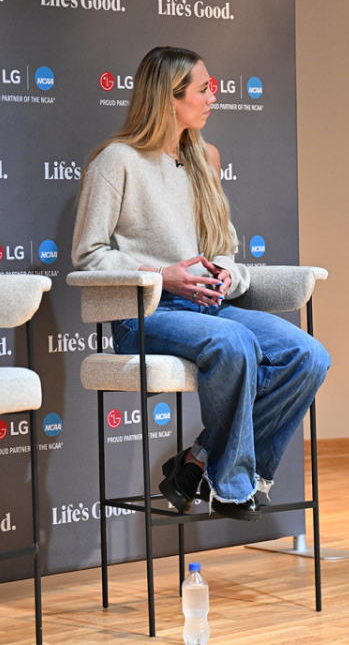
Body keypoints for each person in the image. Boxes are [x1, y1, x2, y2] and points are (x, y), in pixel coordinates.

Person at [72, 46, 331, 521]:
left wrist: (227, 273)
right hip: (145, 313)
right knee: (232, 341)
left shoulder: (204, 158)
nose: (214, 96)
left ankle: (198, 463)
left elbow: (221, 247)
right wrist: (159, 275)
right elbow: (88, 256)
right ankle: (232, 486)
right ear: (170, 98)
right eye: (205, 88)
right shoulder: (118, 161)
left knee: (309, 355)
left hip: (209, 307)